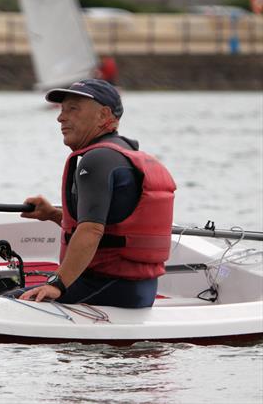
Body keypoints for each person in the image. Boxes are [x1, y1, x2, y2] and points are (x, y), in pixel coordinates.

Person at [18, 79, 176, 308]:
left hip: (108, 288)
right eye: (62, 110)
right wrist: (53, 214)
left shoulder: (97, 159)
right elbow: (109, 225)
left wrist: (57, 284)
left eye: (73, 109)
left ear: (103, 116)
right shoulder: (121, 155)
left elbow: (91, 230)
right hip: (136, 289)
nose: (61, 117)